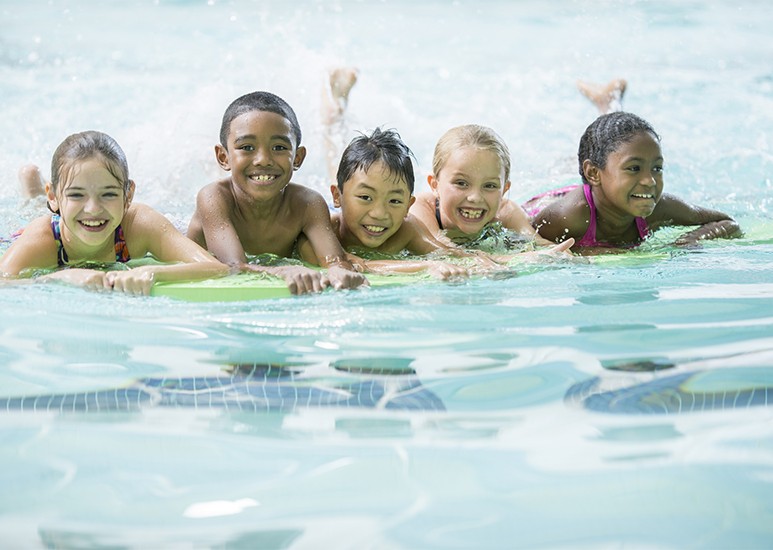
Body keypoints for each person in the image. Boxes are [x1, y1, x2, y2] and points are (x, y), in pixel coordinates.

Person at [1, 130, 228, 295]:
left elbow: (217, 268)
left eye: (108, 194)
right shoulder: (42, 240)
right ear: (54, 196)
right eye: (77, 195)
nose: (93, 209)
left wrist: (153, 272)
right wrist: (59, 277)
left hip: (71, 216)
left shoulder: (140, 224)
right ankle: (34, 189)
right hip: (51, 227)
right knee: (32, 210)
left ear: (128, 195)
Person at [186, 91, 368, 294]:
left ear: (297, 158)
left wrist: (340, 271)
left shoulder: (308, 204)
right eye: (247, 147)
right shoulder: (213, 198)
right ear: (223, 157)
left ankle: (334, 111)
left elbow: (335, 260)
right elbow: (232, 267)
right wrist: (281, 271)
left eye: (279, 147)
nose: (263, 159)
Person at [530, 109, 741, 252]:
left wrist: (694, 239)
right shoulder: (565, 218)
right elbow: (519, 245)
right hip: (552, 197)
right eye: (634, 168)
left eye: (657, 168)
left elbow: (728, 222)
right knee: (568, 165)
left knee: (612, 144)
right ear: (593, 173)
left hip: (603, 182)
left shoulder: (662, 208)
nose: (650, 181)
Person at [298, 124, 473, 279]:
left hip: (350, 195)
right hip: (335, 205)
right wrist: (426, 266)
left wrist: (494, 263)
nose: (379, 213)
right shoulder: (321, 230)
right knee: (335, 154)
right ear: (337, 196)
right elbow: (354, 266)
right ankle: (333, 111)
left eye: (395, 201)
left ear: (408, 206)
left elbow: (450, 255)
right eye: (365, 198)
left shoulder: (407, 229)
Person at [410, 124, 557, 248]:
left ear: (504, 190)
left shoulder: (506, 212)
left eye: (490, 186)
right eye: (461, 183)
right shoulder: (420, 208)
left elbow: (538, 245)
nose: (475, 197)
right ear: (434, 185)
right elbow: (440, 251)